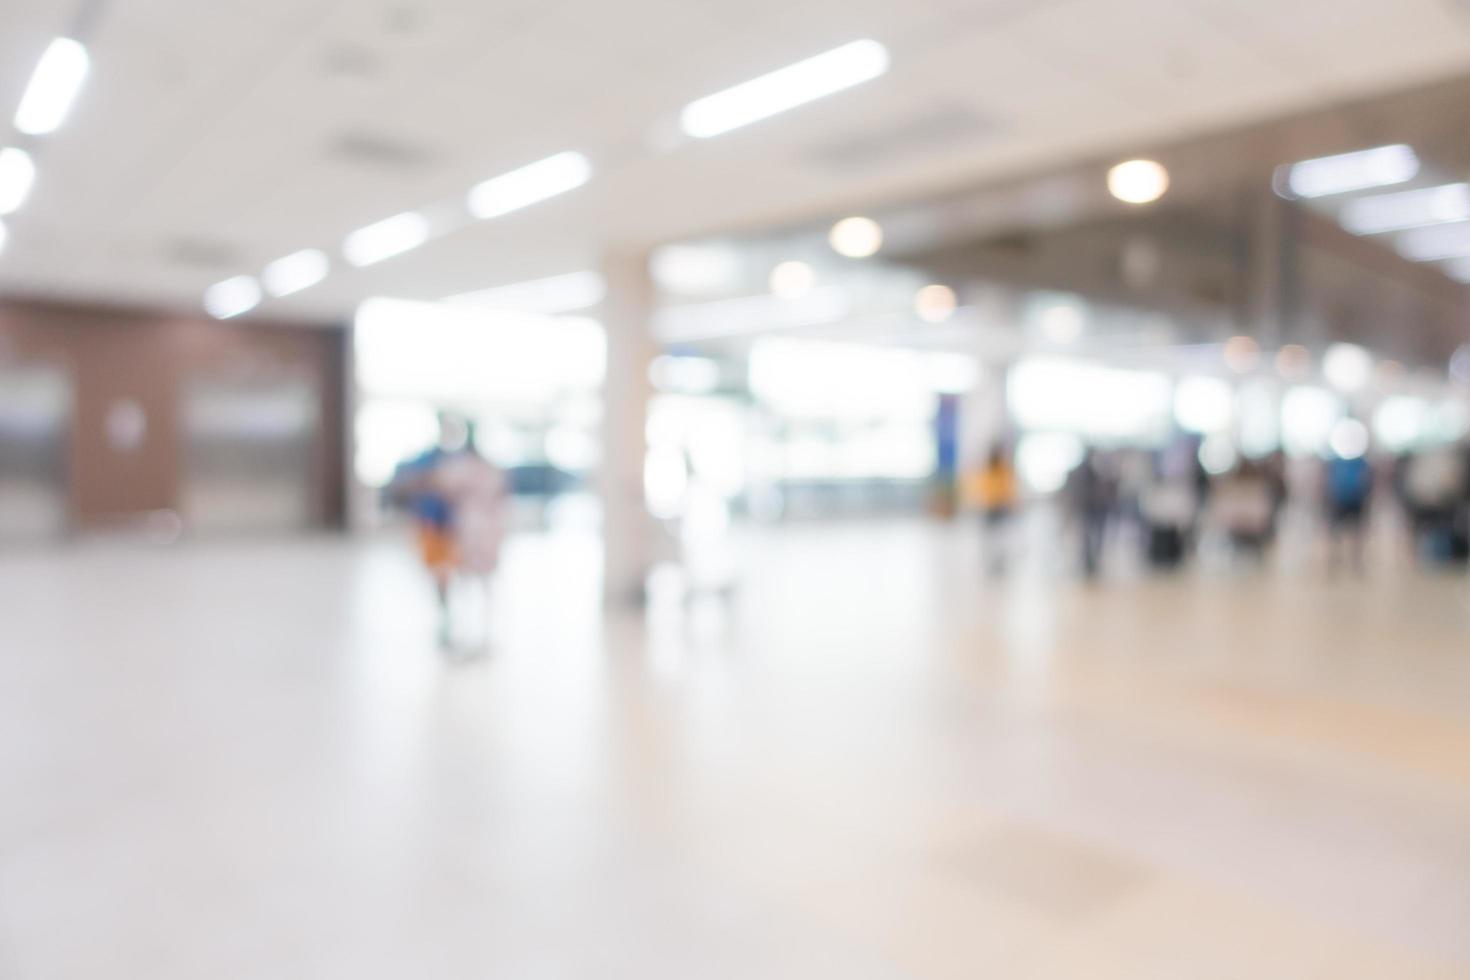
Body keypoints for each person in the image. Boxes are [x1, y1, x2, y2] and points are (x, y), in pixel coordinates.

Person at [432, 422, 509, 650]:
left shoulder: (462, 467)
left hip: (472, 529)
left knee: (468, 579)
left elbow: (444, 489)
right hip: (481, 530)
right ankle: (474, 630)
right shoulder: (490, 470)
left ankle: (472, 630)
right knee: (477, 580)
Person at [969, 446, 1018, 575]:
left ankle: (999, 562)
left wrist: (1011, 503)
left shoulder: (1003, 469)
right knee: (991, 537)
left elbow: (1009, 489)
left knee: (1000, 537)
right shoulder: (988, 470)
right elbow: (981, 488)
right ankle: (992, 562)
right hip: (990, 507)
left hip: (1000, 507)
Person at [1066, 448, 1115, 579]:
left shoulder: (1100, 471)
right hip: (1089, 508)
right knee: (1088, 537)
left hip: (1097, 508)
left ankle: (1091, 562)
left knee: (1092, 537)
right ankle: (1088, 562)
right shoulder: (1086, 472)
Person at [1325, 446, 1373, 573]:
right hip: (1340, 501)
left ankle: (1356, 561)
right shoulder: (1336, 462)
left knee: (1356, 533)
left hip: (1356, 500)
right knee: (1336, 533)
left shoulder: (1361, 462)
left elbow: (1367, 480)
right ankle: (1335, 559)